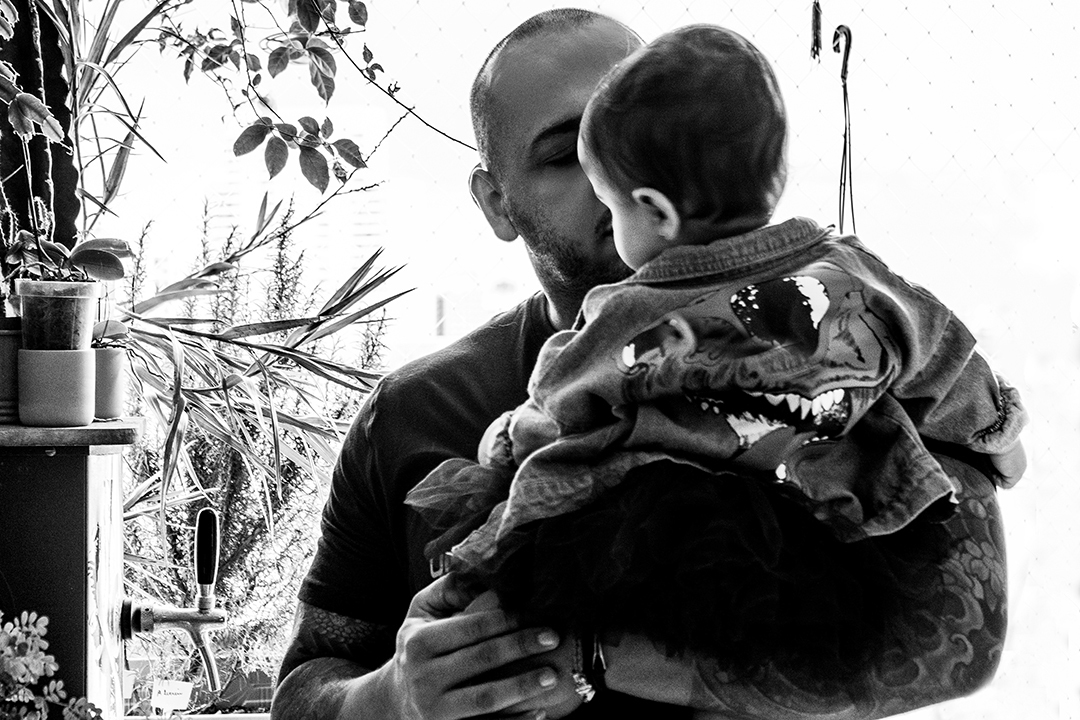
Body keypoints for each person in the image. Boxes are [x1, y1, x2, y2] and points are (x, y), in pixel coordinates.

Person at [271, 10, 1012, 720]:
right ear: (496, 202)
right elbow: (303, 689)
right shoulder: (412, 413)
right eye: (570, 153)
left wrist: (594, 656)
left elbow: (961, 646)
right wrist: (393, 698)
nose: (630, 169)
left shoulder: (848, 344)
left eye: (655, 128)